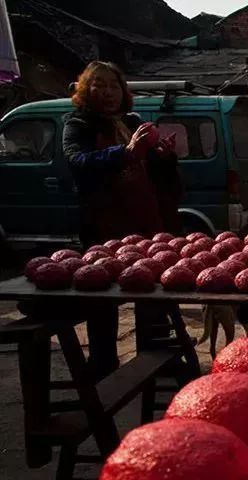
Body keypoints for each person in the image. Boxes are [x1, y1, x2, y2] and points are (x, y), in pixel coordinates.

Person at [59, 61, 181, 378]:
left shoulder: (132, 120)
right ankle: (103, 364)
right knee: (102, 297)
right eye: (100, 84)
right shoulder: (77, 125)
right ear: (86, 89)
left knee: (151, 291)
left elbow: (152, 169)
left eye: (114, 85)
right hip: (104, 225)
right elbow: (79, 162)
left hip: (144, 221)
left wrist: (163, 156)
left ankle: (154, 357)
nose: (109, 92)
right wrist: (126, 152)